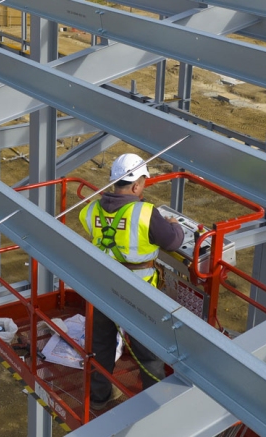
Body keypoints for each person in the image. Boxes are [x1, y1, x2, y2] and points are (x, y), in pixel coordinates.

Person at [79, 153, 184, 410]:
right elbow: (173, 241)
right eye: (144, 183)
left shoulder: (90, 210)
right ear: (137, 185)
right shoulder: (146, 213)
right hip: (138, 295)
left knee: (101, 345)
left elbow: (97, 230)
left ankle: (99, 397)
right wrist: (174, 225)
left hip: (102, 288)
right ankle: (152, 408)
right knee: (148, 354)